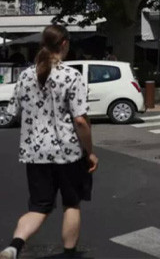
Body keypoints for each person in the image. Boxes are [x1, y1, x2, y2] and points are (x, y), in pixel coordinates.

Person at [1, 25, 98, 259]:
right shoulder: (71, 75)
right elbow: (80, 120)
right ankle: (69, 254)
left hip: (35, 153)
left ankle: (14, 246)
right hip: (67, 152)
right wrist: (90, 151)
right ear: (64, 44)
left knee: (38, 207)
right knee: (71, 204)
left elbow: (11, 111)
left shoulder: (25, 75)